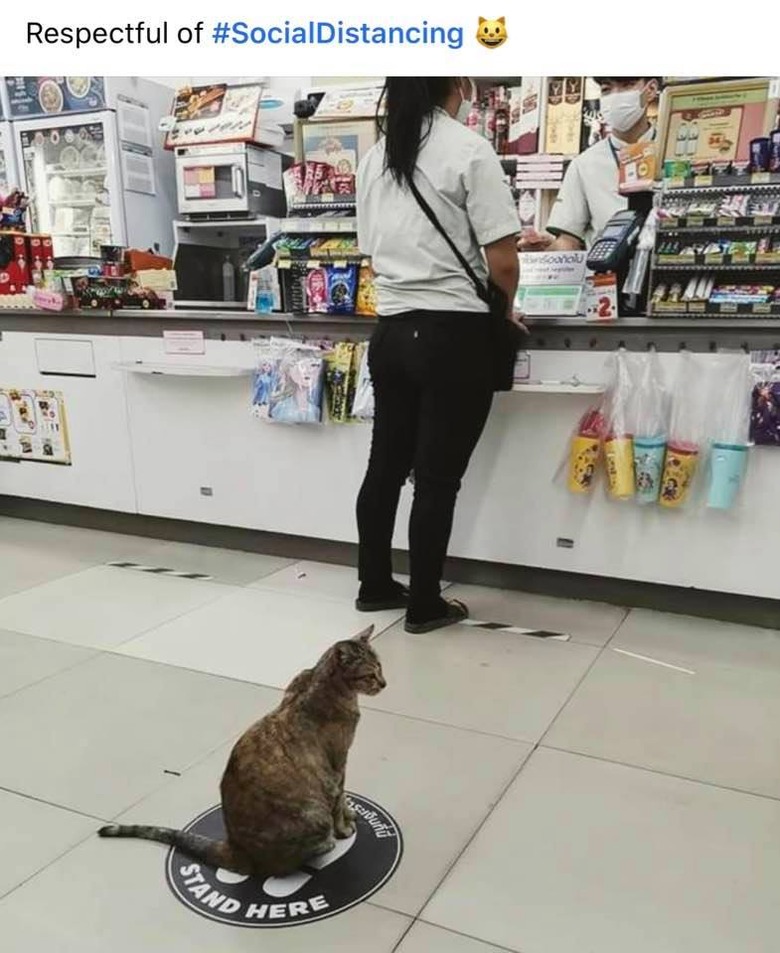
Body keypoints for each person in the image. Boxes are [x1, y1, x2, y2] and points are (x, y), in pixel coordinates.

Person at [355, 76, 522, 634]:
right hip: (453, 336)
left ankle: (375, 584)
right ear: (457, 83)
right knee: (436, 479)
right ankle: (425, 603)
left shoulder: (376, 156)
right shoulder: (469, 149)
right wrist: (506, 307)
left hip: (391, 334)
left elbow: (372, 252)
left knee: (385, 467)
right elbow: (502, 261)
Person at [520, 77, 661, 251]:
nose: (615, 96)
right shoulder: (584, 164)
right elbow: (568, 241)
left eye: (627, 86)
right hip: (606, 273)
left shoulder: (673, 151)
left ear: (651, 89)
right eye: (606, 89)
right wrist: (541, 251)